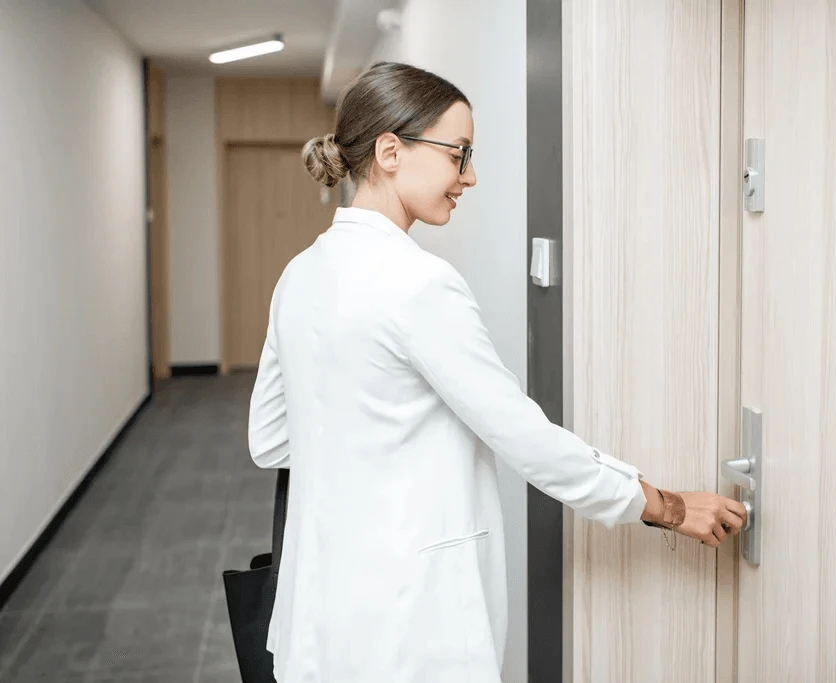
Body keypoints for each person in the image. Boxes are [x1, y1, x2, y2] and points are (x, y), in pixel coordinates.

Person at [247, 61, 747, 683]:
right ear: (390, 151)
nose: (470, 177)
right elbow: (526, 440)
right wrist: (667, 506)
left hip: (314, 627)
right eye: (459, 155)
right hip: (407, 632)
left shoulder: (300, 275)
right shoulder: (418, 284)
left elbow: (269, 442)